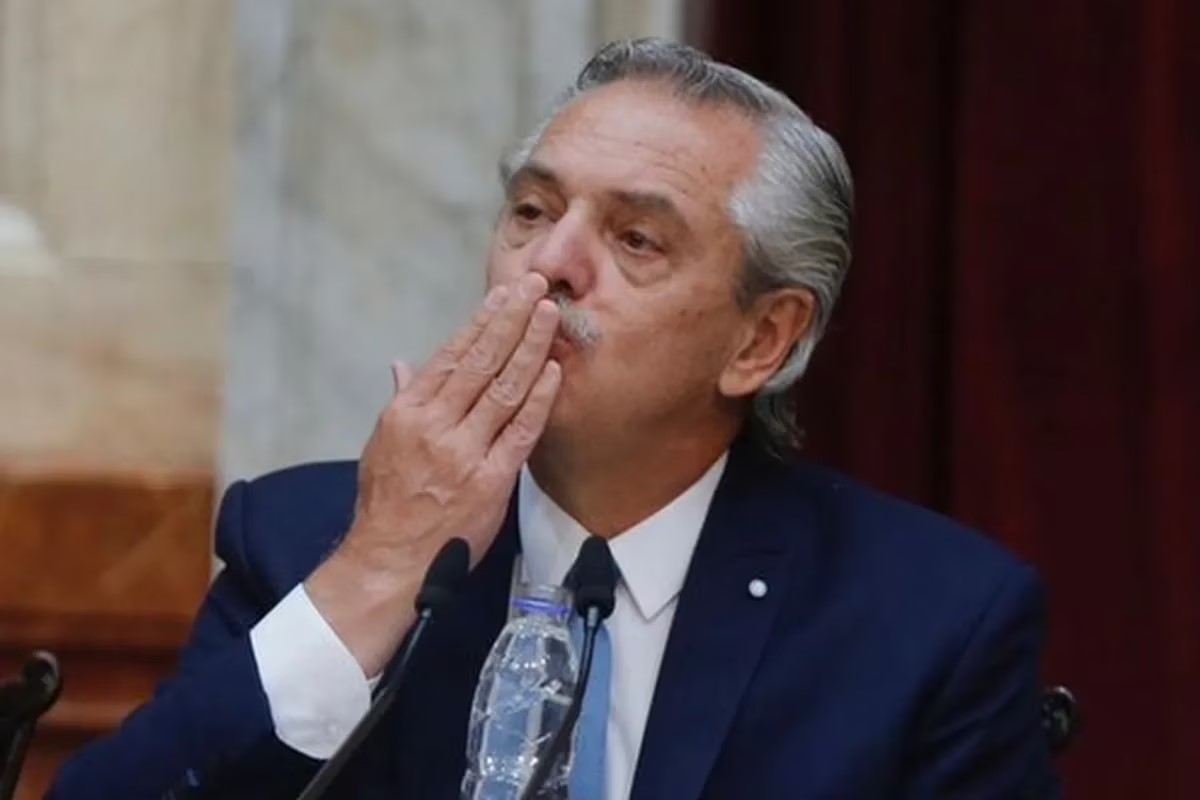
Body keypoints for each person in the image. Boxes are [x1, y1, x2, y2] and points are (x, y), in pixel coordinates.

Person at [50, 38, 1059, 799]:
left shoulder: (928, 620)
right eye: (532, 212)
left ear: (761, 339)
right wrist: (382, 568)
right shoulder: (303, 537)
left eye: (636, 238)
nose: (550, 264)